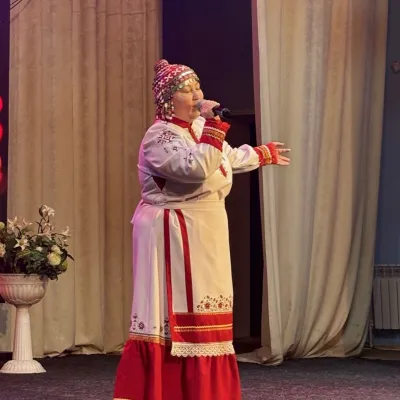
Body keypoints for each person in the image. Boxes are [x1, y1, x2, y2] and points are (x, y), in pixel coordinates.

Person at [113, 59, 291, 400]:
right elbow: (195, 168)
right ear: (168, 100)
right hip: (173, 232)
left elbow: (224, 158)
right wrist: (215, 125)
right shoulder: (159, 136)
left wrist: (260, 154)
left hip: (205, 228)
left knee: (210, 305)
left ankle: (206, 390)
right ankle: (170, 388)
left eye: (198, 87)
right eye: (187, 90)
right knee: (179, 309)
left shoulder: (196, 129)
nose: (197, 95)